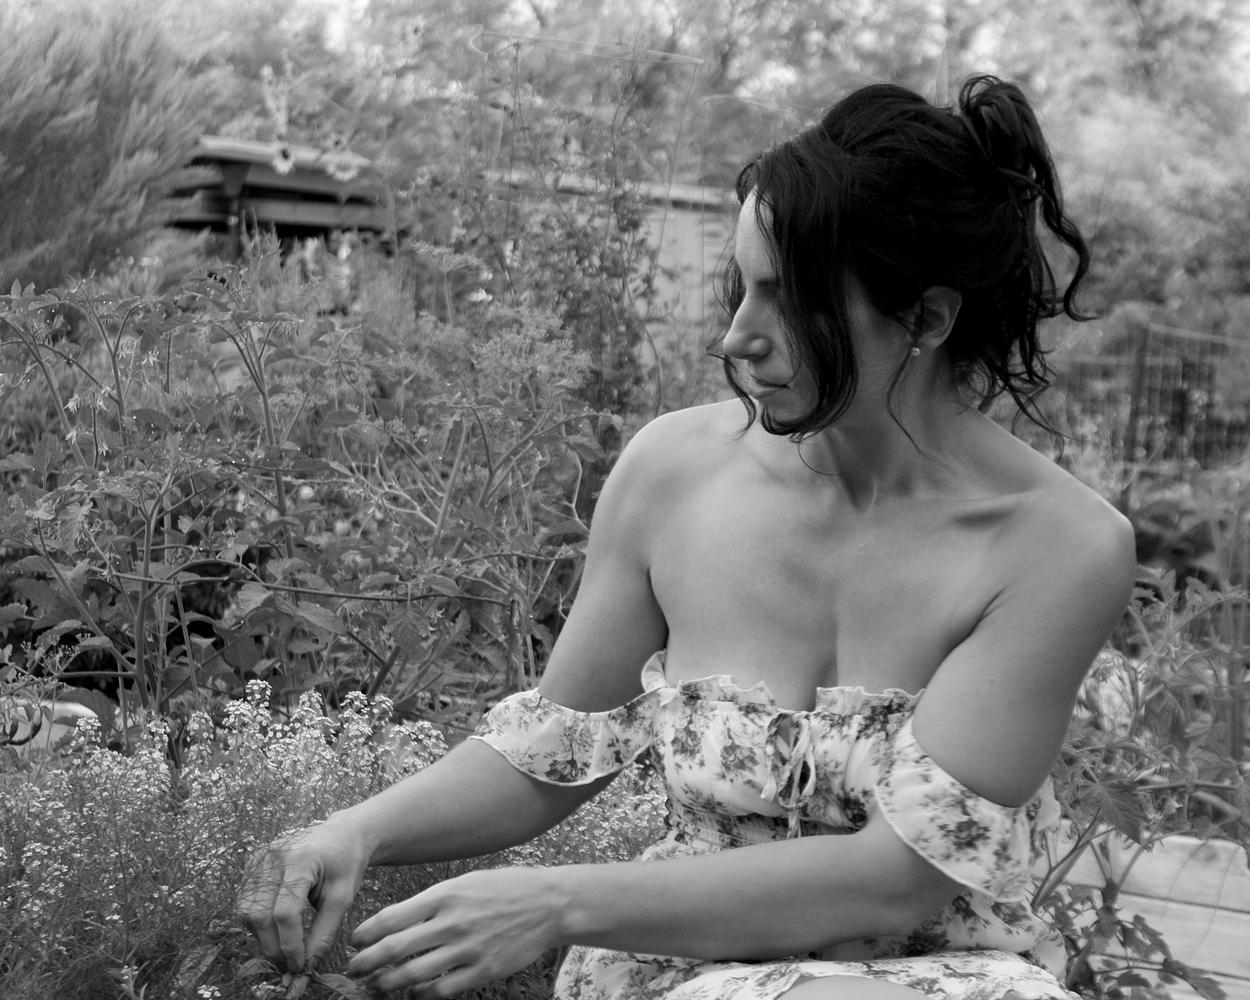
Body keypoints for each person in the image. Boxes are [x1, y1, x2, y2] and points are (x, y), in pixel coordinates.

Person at [238, 75, 1135, 1000]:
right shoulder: (675, 472)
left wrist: (552, 902)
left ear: (928, 318)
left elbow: (897, 877)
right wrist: (354, 831)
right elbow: (552, 753)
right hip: (679, 972)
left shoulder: (1056, 548)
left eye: (789, 299)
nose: (738, 338)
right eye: (740, 288)